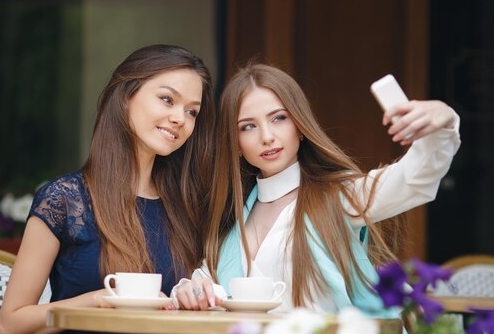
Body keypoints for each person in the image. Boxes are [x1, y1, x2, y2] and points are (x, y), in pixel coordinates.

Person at [174, 63, 460, 320]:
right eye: (248, 127)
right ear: (235, 144)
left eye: (279, 118)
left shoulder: (339, 197)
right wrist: (188, 290)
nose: (267, 136)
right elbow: (204, 284)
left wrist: (444, 120)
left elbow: (415, 178)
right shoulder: (232, 222)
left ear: (300, 125)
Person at [0, 44, 215, 334]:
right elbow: (11, 324)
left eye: (192, 112)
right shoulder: (64, 199)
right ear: (126, 96)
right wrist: (96, 299)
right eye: (167, 99)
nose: (179, 119)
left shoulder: (186, 209)